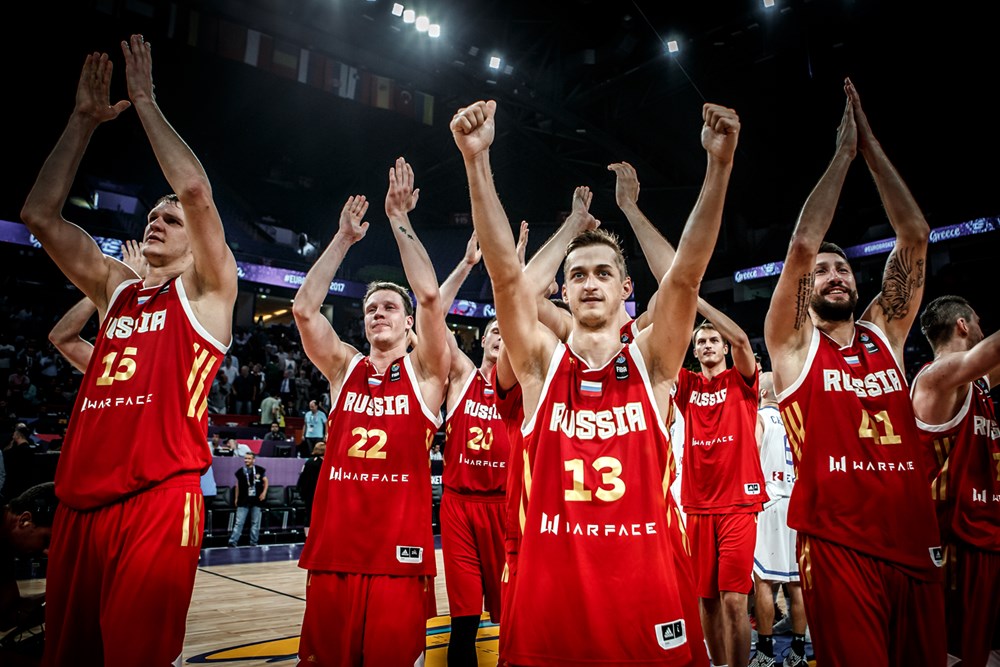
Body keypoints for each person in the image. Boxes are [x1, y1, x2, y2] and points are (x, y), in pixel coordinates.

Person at [452, 97, 738, 664]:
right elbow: (507, 280)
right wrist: (476, 162)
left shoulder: (654, 362)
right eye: (577, 275)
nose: (589, 283)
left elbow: (685, 276)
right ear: (561, 291)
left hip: (647, 589)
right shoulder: (539, 365)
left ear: (625, 288)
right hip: (552, 593)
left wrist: (719, 167)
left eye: (603, 273)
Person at [20, 37, 237, 665]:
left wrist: (143, 101)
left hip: (158, 500)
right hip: (80, 505)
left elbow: (195, 190)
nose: (158, 220)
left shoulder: (208, 294)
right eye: (152, 215)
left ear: (198, 247)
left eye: (170, 219)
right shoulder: (116, 293)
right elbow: (39, 213)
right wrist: (82, 121)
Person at [763, 78, 944, 666]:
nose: (835, 275)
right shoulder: (792, 344)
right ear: (806, 287)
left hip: (915, 536)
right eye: (823, 273)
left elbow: (914, 236)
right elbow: (801, 245)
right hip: (840, 545)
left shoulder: (884, 333)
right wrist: (842, 156)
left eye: (842, 269)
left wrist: (872, 150)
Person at [291, 157, 450, 666]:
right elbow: (304, 311)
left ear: (409, 327)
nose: (377, 313)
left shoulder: (426, 373)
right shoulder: (344, 368)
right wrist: (342, 241)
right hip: (335, 550)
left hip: (398, 557)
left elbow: (428, 294)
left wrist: (399, 220)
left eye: (388, 308)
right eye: (369, 309)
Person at [673, 303, 766, 667]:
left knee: (733, 599)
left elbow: (743, 339)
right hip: (697, 504)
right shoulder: (689, 385)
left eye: (714, 340)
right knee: (706, 599)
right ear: (694, 351)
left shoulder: (741, 381)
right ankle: (719, 664)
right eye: (702, 341)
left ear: (723, 347)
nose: (709, 345)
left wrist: (694, 299)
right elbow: (659, 353)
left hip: (739, 504)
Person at [910, 296, 1000, 667]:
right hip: (955, 540)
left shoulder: (975, 382)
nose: (982, 327)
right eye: (977, 321)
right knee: (957, 654)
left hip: (987, 532)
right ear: (963, 325)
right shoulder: (936, 377)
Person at [436, 232, 511, 666]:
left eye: (508, 330)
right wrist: (466, 265)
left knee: (509, 613)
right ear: (483, 340)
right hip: (461, 505)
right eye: (494, 330)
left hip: (505, 505)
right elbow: (434, 312)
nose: (502, 335)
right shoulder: (462, 376)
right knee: (463, 618)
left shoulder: (520, 382)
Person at [749, 372, 806, 667]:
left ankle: (765, 653)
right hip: (796, 502)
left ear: (761, 394)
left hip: (770, 502)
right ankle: (798, 651)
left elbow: (752, 455)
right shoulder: (797, 420)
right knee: (796, 584)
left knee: (764, 582)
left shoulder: (760, 417)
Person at [0, 483, 57, 650]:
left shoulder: (7, 543)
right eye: (46, 540)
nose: (47, 552)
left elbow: (6, 612)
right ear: (25, 520)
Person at [228, 453, 268, 547]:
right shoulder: (240, 471)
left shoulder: (259, 470)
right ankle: (233, 541)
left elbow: (266, 481)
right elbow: (237, 486)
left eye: (249, 459)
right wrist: (236, 498)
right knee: (239, 522)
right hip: (243, 499)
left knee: (255, 522)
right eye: (245, 458)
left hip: (256, 499)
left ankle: (254, 542)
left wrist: (264, 493)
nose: (246, 460)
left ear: (253, 460)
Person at [296, 442, 325, 537]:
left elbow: (301, 478)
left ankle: (308, 537)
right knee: (316, 515)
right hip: (316, 493)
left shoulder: (308, 461)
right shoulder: (322, 463)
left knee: (309, 515)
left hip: (308, 493)